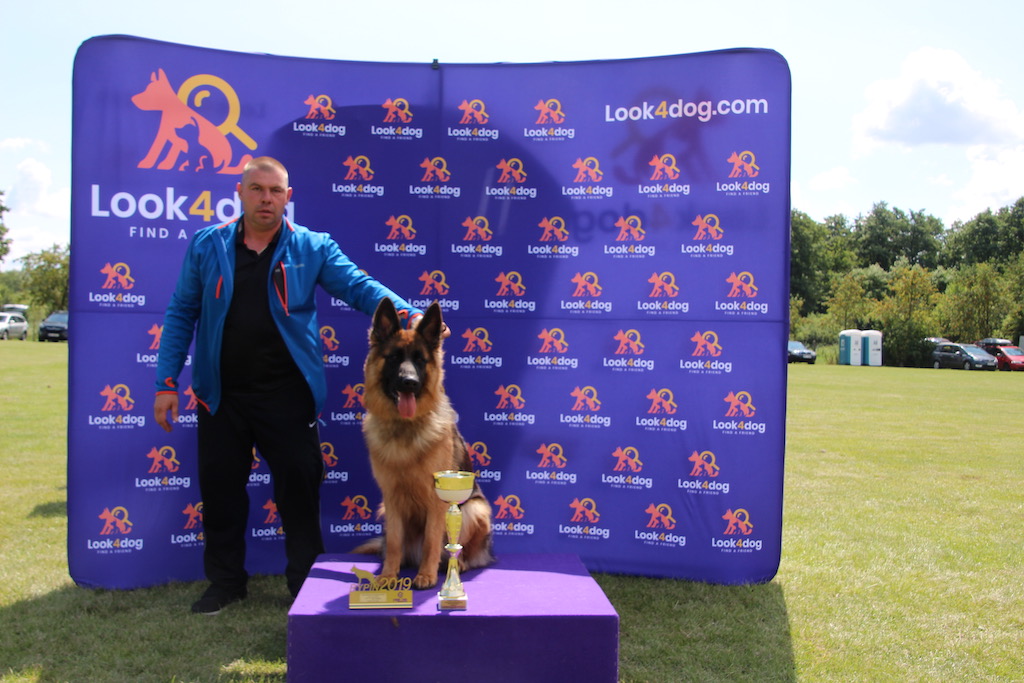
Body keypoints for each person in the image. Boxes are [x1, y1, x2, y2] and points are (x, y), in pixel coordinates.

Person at [154, 156, 434, 615]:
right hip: (219, 393)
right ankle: (226, 582)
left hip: (288, 393)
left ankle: (303, 581)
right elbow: (182, 311)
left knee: (299, 491)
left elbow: (359, 286)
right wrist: (166, 381)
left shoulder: (312, 247)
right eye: (257, 189)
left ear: (289, 197)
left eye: (275, 190)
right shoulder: (207, 245)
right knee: (221, 491)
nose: (266, 198)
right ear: (240, 192)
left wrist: (409, 314)